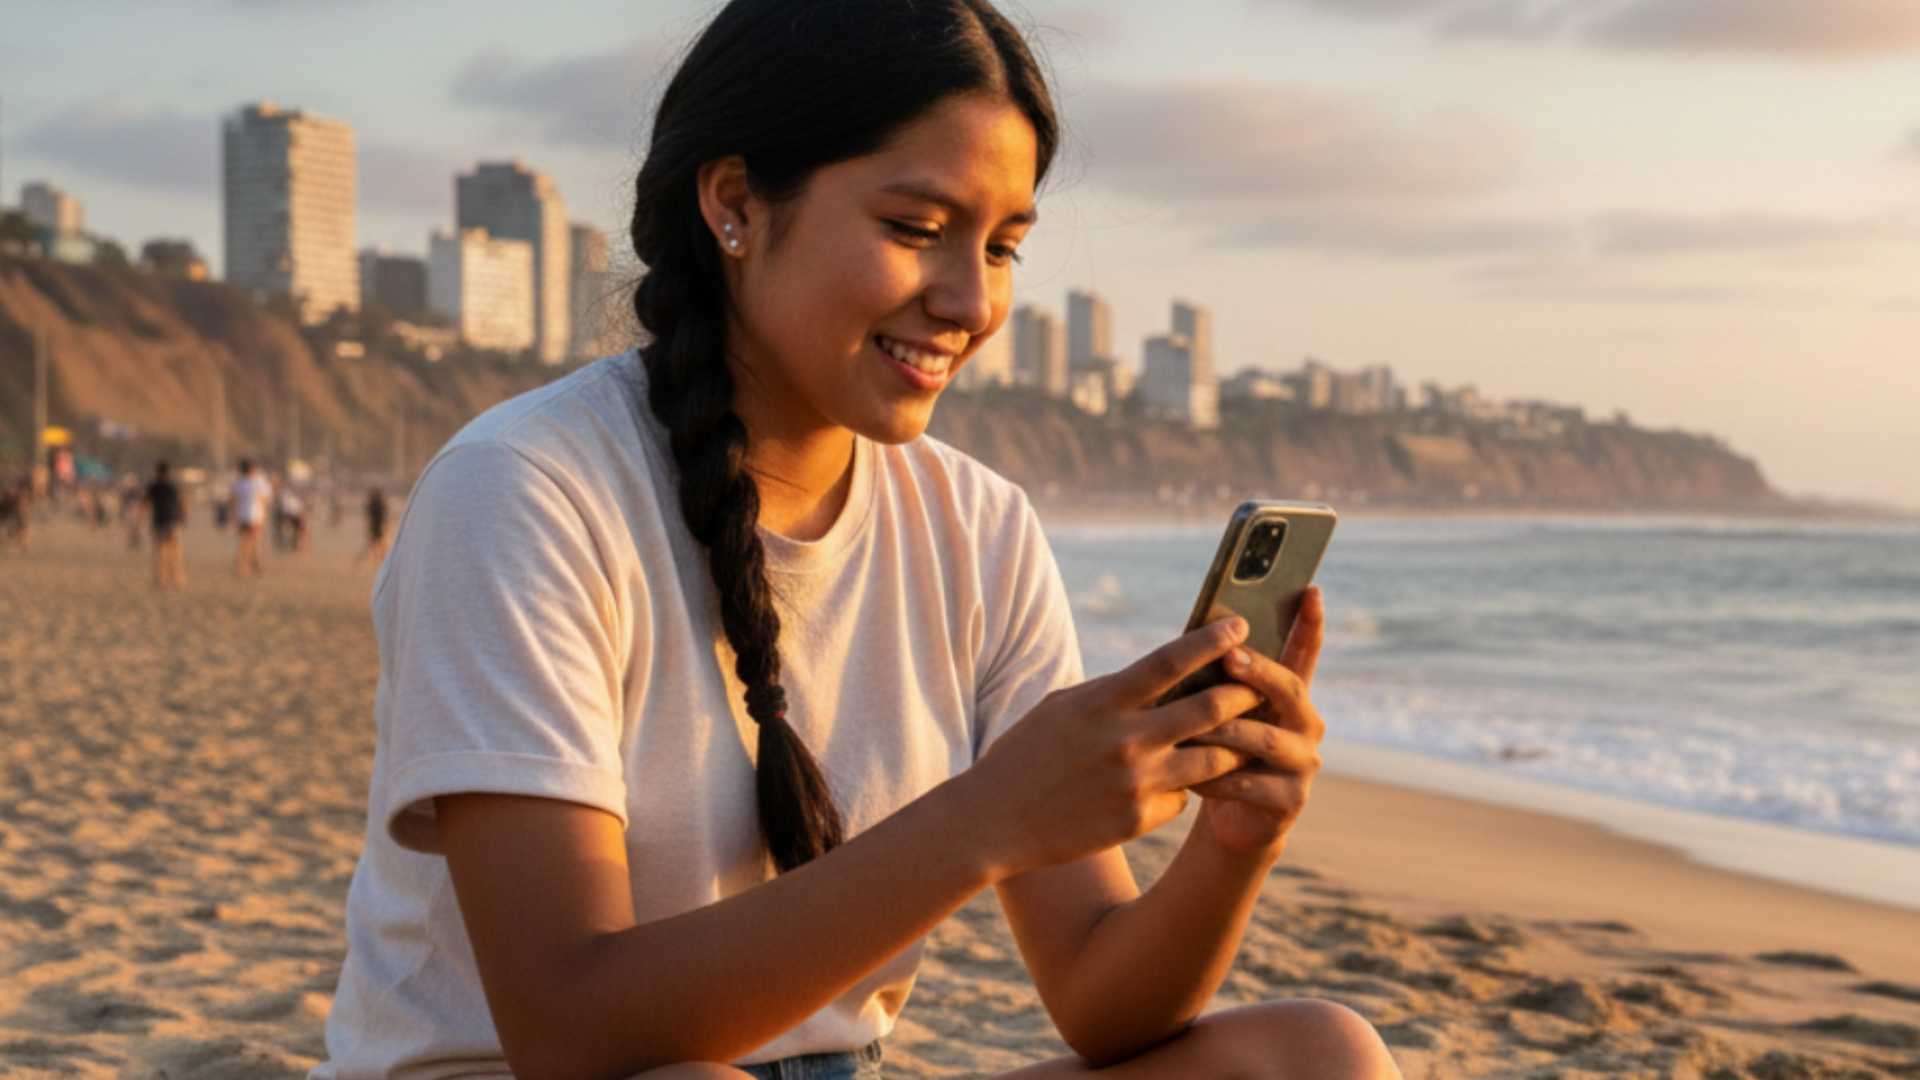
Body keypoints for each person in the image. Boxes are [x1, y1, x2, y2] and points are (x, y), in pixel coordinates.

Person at [314, 4, 1398, 1078]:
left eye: (1005, 246)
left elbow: (1101, 1000)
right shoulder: (528, 492)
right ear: (736, 204)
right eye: (916, 229)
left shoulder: (978, 529)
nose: (970, 301)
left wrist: (1230, 847)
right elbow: (569, 1028)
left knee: (1316, 1053)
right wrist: (984, 820)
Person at [140, 460, 187, 590]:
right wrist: (184, 517)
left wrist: (140, 520)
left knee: (159, 551)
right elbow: (183, 502)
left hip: (158, 522)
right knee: (175, 552)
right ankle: (177, 577)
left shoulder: (153, 486)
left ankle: (161, 578)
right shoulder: (174, 486)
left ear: (157, 472)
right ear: (169, 472)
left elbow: (144, 504)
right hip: (173, 522)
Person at [229, 459, 271, 577]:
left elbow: (231, 501)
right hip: (254, 516)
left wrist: (233, 516)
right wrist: (264, 515)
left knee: (247, 541)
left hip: (241, 516)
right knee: (250, 542)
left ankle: (255, 564)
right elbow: (265, 500)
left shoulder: (237, 483)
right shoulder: (259, 482)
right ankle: (242, 566)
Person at [357, 486, 389, 568]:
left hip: (374, 527)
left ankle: (381, 561)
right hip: (377, 527)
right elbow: (384, 515)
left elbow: (368, 513)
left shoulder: (373, 505)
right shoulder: (378, 505)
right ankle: (383, 561)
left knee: (375, 545)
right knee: (378, 546)